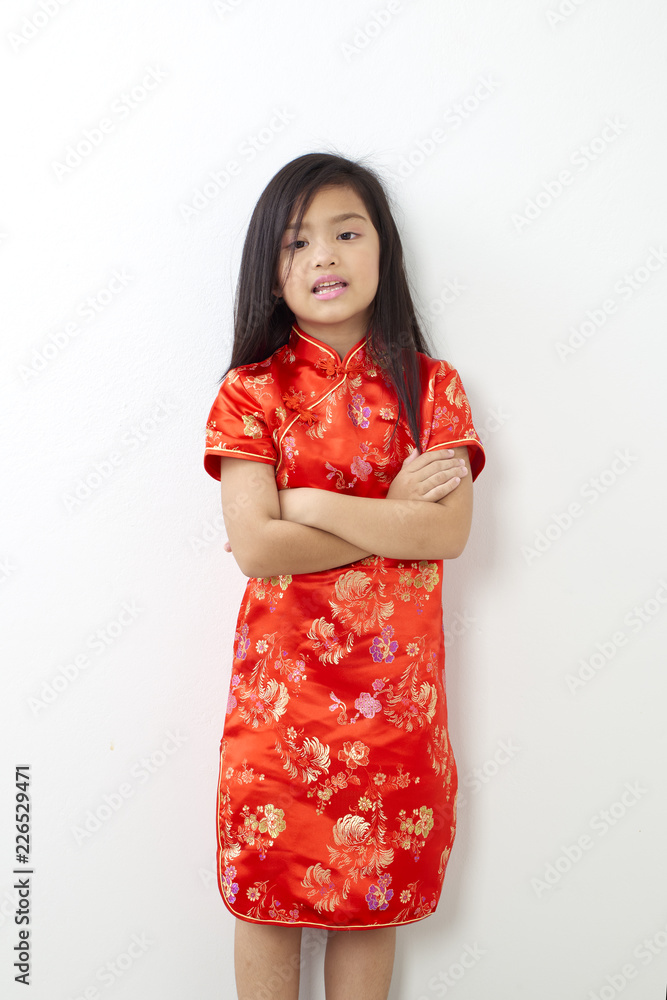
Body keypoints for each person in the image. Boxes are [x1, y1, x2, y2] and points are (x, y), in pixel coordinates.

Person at [203, 151, 486, 1000]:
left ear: (382, 250)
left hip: (394, 709)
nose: (323, 255)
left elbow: (446, 531)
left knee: (371, 902)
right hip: (280, 705)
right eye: (296, 242)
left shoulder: (432, 388)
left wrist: (313, 503)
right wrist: (389, 515)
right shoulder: (249, 393)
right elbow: (257, 548)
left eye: (346, 233)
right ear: (270, 271)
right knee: (265, 896)